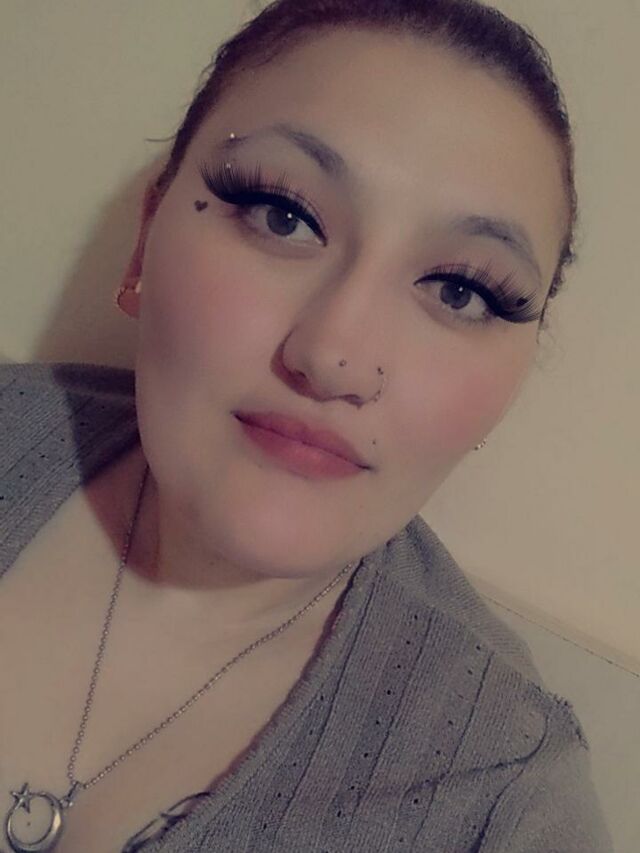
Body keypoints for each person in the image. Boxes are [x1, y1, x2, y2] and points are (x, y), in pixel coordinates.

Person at [0, 0, 614, 850]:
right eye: (282, 215)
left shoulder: (502, 798)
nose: (334, 358)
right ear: (145, 242)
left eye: (461, 290)